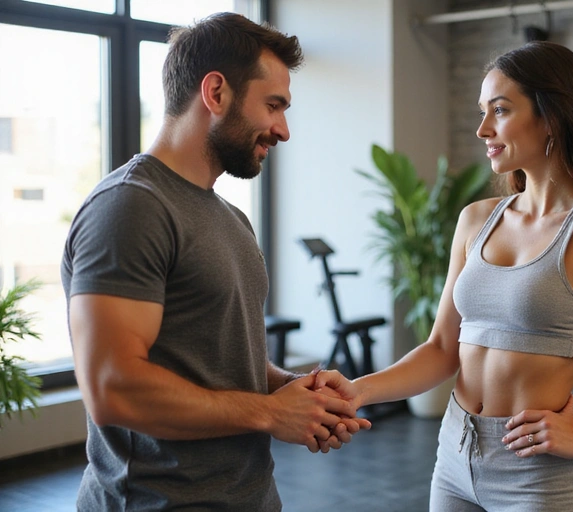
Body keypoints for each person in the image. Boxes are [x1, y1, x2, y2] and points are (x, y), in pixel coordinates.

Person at [317, 41, 573, 511]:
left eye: (500, 110)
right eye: (483, 111)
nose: (483, 128)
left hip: (539, 477)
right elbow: (443, 350)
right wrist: (359, 390)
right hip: (454, 458)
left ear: (552, 117)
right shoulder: (476, 220)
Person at [61, 13, 368, 511]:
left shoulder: (231, 218)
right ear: (216, 92)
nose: (283, 130)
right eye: (274, 105)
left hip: (250, 496)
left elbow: (215, 355)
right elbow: (113, 389)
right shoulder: (131, 206)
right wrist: (270, 413)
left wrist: (294, 391)